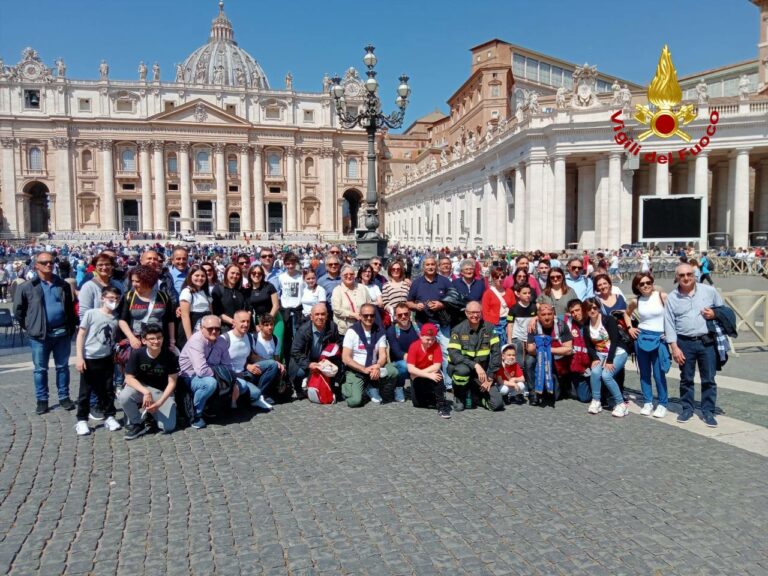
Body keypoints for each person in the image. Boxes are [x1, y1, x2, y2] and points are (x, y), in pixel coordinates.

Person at [14, 252, 78, 415]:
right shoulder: (26, 286)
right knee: (40, 369)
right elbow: (18, 311)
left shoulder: (62, 284)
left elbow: (70, 308)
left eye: (51, 262)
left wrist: (70, 327)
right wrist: (30, 327)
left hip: (62, 333)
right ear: (36, 265)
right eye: (44, 263)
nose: (48, 265)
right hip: (39, 336)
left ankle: (64, 397)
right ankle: (42, 400)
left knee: (63, 367)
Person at [664, 263, 724, 427]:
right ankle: (687, 409)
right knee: (686, 379)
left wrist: (714, 314)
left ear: (694, 275)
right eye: (682, 275)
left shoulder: (709, 291)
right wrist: (674, 347)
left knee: (709, 379)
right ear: (677, 277)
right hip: (684, 342)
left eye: (689, 274)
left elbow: (723, 311)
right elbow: (669, 323)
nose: (686, 278)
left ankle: (708, 411)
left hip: (707, 341)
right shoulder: (672, 297)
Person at [74, 286, 122, 435]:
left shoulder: (116, 318)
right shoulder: (91, 313)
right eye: (110, 299)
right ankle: (81, 419)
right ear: (103, 298)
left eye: (116, 299)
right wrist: (79, 357)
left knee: (108, 389)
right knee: (85, 391)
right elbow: (81, 335)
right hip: (90, 358)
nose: (113, 302)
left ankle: (109, 416)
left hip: (107, 358)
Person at [118, 323, 179, 439]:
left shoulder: (170, 356)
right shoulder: (137, 354)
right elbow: (129, 378)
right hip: (141, 387)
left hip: (161, 391)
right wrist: (146, 392)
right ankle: (139, 422)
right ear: (144, 341)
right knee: (123, 396)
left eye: (159, 338)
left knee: (168, 427)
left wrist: (159, 403)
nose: (156, 341)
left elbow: (172, 383)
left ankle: (152, 414)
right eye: (151, 339)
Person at [627, 272, 670, 418]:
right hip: (642, 337)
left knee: (659, 374)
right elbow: (626, 314)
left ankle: (663, 403)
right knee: (644, 373)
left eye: (648, 283)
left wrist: (669, 332)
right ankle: (647, 401)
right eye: (642, 284)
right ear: (637, 287)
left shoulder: (662, 296)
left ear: (652, 283)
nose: (645, 286)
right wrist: (630, 328)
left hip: (659, 338)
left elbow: (673, 314)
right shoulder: (636, 301)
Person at [447, 301, 503, 411]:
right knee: (462, 372)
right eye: (472, 312)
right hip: (460, 368)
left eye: (478, 312)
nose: (475, 315)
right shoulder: (458, 330)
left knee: (497, 404)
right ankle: (459, 396)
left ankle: (475, 396)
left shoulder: (490, 328)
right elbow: (454, 355)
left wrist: (490, 377)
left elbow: (496, 354)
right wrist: (475, 365)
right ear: (466, 313)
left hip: (481, 374)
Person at [406, 254, 452, 388]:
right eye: (428, 265)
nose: (430, 267)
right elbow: (408, 302)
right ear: (423, 267)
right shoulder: (417, 282)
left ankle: (448, 384)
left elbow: (453, 299)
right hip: (424, 323)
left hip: (442, 323)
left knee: (445, 352)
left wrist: (441, 304)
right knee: (427, 353)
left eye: (433, 264)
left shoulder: (444, 281)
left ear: (436, 266)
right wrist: (416, 306)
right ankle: (428, 380)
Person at [178, 315, 232, 429]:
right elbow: (201, 371)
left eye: (217, 329)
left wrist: (225, 375)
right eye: (210, 328)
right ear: (202, 328)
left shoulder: (222, 341)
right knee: (210, 383)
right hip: (189, 377)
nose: (214, 331)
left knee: (241, 386)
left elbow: (228, 365)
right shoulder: (196, 341)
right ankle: (196, 413)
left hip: (210, 374)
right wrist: (220, 374)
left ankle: (210, 406)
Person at [341, 303, 397, 407]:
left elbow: (383, 355)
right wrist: (363, 369)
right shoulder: (352, 332)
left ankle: (373, 387)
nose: (369, 318)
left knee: (393, 371)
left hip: (373, 368)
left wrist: (377, 366)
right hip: (356, 370)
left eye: (372, 315)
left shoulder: (379, 331)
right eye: (366, 315)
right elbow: (345, 358)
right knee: (354, 402)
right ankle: (347, 387)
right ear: (360, 316)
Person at [581, 297, 629, 417]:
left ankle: (621, 404)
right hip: (600, 353)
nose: (592, 311)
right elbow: (589, 346)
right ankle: (596, 401)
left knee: (606, 375)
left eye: (594, 308)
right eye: (588, 309)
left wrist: (610, 360)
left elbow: (614, 341)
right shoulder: (586, 325)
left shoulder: (608, 320)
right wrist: (595, 358)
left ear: (599, 308)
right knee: (595, 372)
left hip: (617, 352)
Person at [224, 310, 278, 410]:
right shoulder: (225, 338)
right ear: (234, 322)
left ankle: (258, 396)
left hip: (244, 373)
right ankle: (244, 397)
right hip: (231, 377)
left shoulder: (249, 337)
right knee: (252, 392)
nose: (246, 324)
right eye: (242, 321)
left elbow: (252, 356)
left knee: (273, 365)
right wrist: (246, 366)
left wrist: (276, 363)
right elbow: (219, 363)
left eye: (248, 321)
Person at [289, 303, 342, 399]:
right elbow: (295, 351)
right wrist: (308, 364)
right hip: (306, 358)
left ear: (327, 316)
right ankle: (297, 388)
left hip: (324, 360)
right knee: (299, 372)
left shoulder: (332, 327)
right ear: (311, 317)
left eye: (323, 314)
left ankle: (331, 386)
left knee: (338, 365)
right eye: (317, 314)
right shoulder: (303, 330)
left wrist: (328, 359)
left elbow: (337, 345)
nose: (320, 317)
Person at [525, 304, 573, 407]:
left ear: (554, 314)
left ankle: (553, 385)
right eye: (543, 314)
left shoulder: (561, 325)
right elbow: (530, 349)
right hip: (540, 358)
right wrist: (540, 350)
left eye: (549, 314)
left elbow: (569, 349)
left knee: (555, 396)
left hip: (556, 359)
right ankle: (533, 393)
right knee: (529, 360)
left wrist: (547, 350)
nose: (547, 317)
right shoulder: (533, 326)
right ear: (538, 316)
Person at [406, 323, 450, 418]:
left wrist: (423, 374)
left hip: (425, 373)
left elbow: (437, 366)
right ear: (421, 336)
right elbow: (410, 368)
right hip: (418, 375)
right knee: (418, 404)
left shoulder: (436, 346)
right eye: (428, 339)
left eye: (433, 339)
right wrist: (426, 374)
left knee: (438, 376)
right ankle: (430, 396)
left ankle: (442, 405)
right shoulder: (414, 346)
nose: (430, 342)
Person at [385, 302, 419, 403]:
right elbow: (397, 352)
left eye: (406, 314)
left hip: (416, 359)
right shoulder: (392, 330)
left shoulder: (418, 327)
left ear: (410, 314)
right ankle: (399, 387)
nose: (403, 317)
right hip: (399, 362)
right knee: (404, 365)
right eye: (400, 315)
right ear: (395, 316)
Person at [178, 264, 212, 350]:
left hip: (205, 331)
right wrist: (190, 338)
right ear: (190, 276)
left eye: (203, 276)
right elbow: (185, 316)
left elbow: (211, 312)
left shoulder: (206, 292)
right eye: (197, 275)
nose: (200, 278)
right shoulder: (187, 292)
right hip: (192, 329)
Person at [278, 252, 304, 360]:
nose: (290, 266)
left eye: (292, 264)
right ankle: (287, 361)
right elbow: (281, 292)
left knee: (298, 338)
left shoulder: (301, 277)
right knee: (286, 339)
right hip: (286, 311)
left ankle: (298, 361)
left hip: (298, 310)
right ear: (284, 264)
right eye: (288, 264)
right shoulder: (281, 277)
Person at [331, 264, 371, 336]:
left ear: (355, 275)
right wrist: (353, 315)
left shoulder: (362, 288)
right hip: (346, 330)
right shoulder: (337, 290)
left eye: (351, 274)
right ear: (341, 276)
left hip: (363, 328)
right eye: (346, 274)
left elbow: (369, 304)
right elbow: (336, 309)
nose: (349, 276)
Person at [481, 266, 513, 347]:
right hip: (494, 324)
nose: (500, 279)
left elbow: (513, 309)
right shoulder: (488, 293)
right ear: (493, 278)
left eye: (502, 277)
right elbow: (485, 312)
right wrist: (491, 327)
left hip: (507, 323)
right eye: (496, 277)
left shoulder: (509, 291)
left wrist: (510, 324)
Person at [211, 264, 247, 332]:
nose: (235, 276)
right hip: (225, 328)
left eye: (237, 274)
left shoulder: (242, 290)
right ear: (226, 273)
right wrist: (234, 322)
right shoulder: (218, 289)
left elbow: (246, 308)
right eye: (232, 273)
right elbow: (217, 312)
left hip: (241, 328)